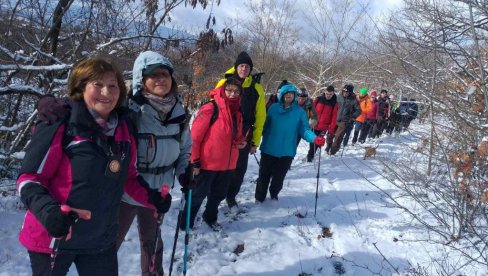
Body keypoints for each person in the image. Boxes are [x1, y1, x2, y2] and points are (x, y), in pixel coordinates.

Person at [18, 57, 171, 276]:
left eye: (112, 86)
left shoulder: (124, 128)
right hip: (56, 234)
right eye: (97, 85)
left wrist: (151, 197)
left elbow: (127, 177)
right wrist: (49, 213)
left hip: (100, 238)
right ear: (81, 88)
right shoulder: (62, 122)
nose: (106, 93)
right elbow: (29, 179)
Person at [115, 51, 192, 276]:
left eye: (165, 74)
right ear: (142, 80)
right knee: (109, 243)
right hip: (126, 192)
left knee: (153, 243)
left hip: (159, 192)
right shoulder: (129, 110)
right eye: (153, 74)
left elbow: (184, 149)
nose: (161, 79)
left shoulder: (179, 112)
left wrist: (184, 171)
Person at [181, 77, 247, 229]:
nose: (232, 94)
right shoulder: (211, 108)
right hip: (206, 164)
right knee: (197, 196)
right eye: (229, 90)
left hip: (228, 165)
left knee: (218, 195)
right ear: (223, 90)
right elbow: (195, 138)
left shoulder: (237, 112)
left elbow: (238, 136)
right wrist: (195, 161)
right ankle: (185, 223)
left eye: (236, 91)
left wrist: (241, 142)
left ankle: (210, 218)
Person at [255, 83, 325, 202]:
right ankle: (259, 198)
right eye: (286, 93)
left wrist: (314, 138)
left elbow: (305, 130)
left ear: (294, 96)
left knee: (279, 177)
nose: (288, 96)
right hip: (269, 148)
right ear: (281, 95)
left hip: (287, 151)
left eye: (291, 94)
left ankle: (274, 195)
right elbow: (263, 126)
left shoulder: (299, 112)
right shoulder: (273, 108)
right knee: (263, 175)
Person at [215, 51, 266, 211]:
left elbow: (260, 117)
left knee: (239, 169)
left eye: (247, 66)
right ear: (236, 67)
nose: (244, 68)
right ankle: (215, 196)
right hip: (224, 130)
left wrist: (255, 141)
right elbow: (213, 107)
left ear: (250, 69)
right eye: (241, 65)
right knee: (219, 166)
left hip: (245, 132)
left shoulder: (256, 88)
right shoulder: (223, 83)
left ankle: (231, 196)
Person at [329, 84, 361, 155]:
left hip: (344, 122)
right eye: (344, 91)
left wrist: (352, 118)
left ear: (350, 92)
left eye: (347, 92)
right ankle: (327, 148)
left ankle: (333, 152)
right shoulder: (338, 97)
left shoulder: (354, 100)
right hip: (335, 119)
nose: (345, 93)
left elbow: (359, 110)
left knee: (338, 138)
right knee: (329, 135)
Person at [311, 85, 338, 157]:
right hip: (314, 124)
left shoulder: (334, 103)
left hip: (324, 127)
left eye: (330, 94)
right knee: (312, 141)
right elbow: (311, 109)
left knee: (318, 141)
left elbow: (334, 117)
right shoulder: (318, 99)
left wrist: (331, 129)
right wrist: (311, 119)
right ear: (325, 92)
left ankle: (310, 156)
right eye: (327, 94)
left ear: (333, 94)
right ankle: (312, 152)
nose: (328, 95)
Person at [296, 88, 318, 162]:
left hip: (302, 127)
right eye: (299, 98)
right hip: (291, 126)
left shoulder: (309, 103)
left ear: (306, 98)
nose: (301, 100)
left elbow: (313, 115)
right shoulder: (293, 102)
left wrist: (313, 121)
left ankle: (288, 162)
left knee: (293, 146)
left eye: (303, 99)